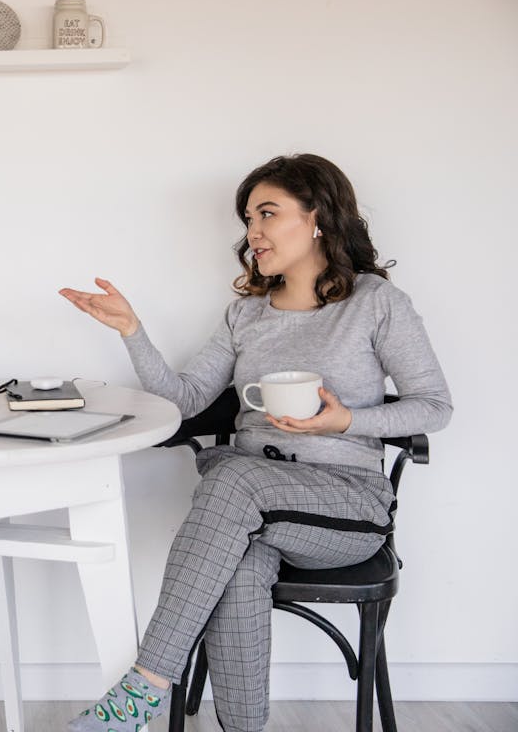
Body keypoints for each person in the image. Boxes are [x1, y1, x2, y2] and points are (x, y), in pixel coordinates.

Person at [58, 154, 451, 732]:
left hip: (343, 505)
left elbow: (435, 407)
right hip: (247, 508)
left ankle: (143, 690)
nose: (253, 232)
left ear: (318, 217)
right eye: (248, 218)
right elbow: (186, 402)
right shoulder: (246, 314)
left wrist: (345, 423)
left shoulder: (375, 303)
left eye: (268, 213)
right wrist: (132, 333)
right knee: (237, 565)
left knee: (232, 477)